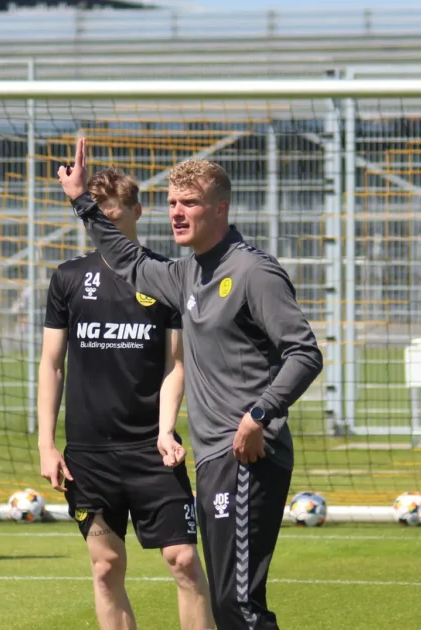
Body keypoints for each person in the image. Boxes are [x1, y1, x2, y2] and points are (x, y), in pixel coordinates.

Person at [58, 139, 323, 630]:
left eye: (191, 203)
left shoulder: (251, 271)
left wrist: (259, 415)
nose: (177, 213)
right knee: (228, 603)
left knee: (237, 605)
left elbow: (305, 353)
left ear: (220, 207)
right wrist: (83, 203)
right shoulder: (187, 274)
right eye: (174, 203)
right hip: (217, 457)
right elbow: (128, 259)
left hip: (247, 453)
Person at [38, 167, 214, 630]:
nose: (106, 227)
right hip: (90, 455)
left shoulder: (163, 278)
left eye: (114, 217)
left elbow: (175, 366)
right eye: (98, 217)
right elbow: (51, 364)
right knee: (106, 566)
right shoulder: (68, 278)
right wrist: (46, 445)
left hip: (150, 450)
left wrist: (164, 430)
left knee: (182, 561)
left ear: (137, 212)